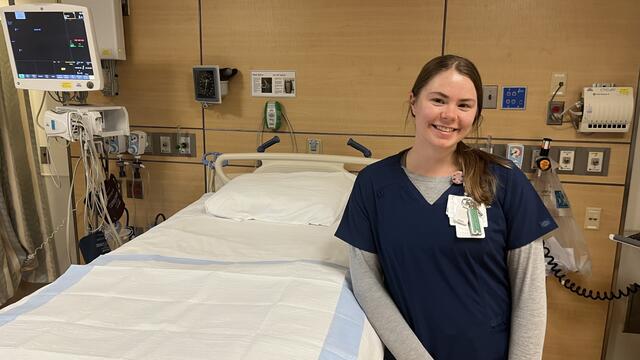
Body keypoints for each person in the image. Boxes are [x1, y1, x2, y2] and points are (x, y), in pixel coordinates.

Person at [335, 55, 557, 360]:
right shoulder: (374, 184)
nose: (450, 115)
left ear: (476, 114)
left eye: (464, 105)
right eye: (438, 100)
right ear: (413, 102)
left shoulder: (503, 181)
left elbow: (529, 292)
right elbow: (366, 284)